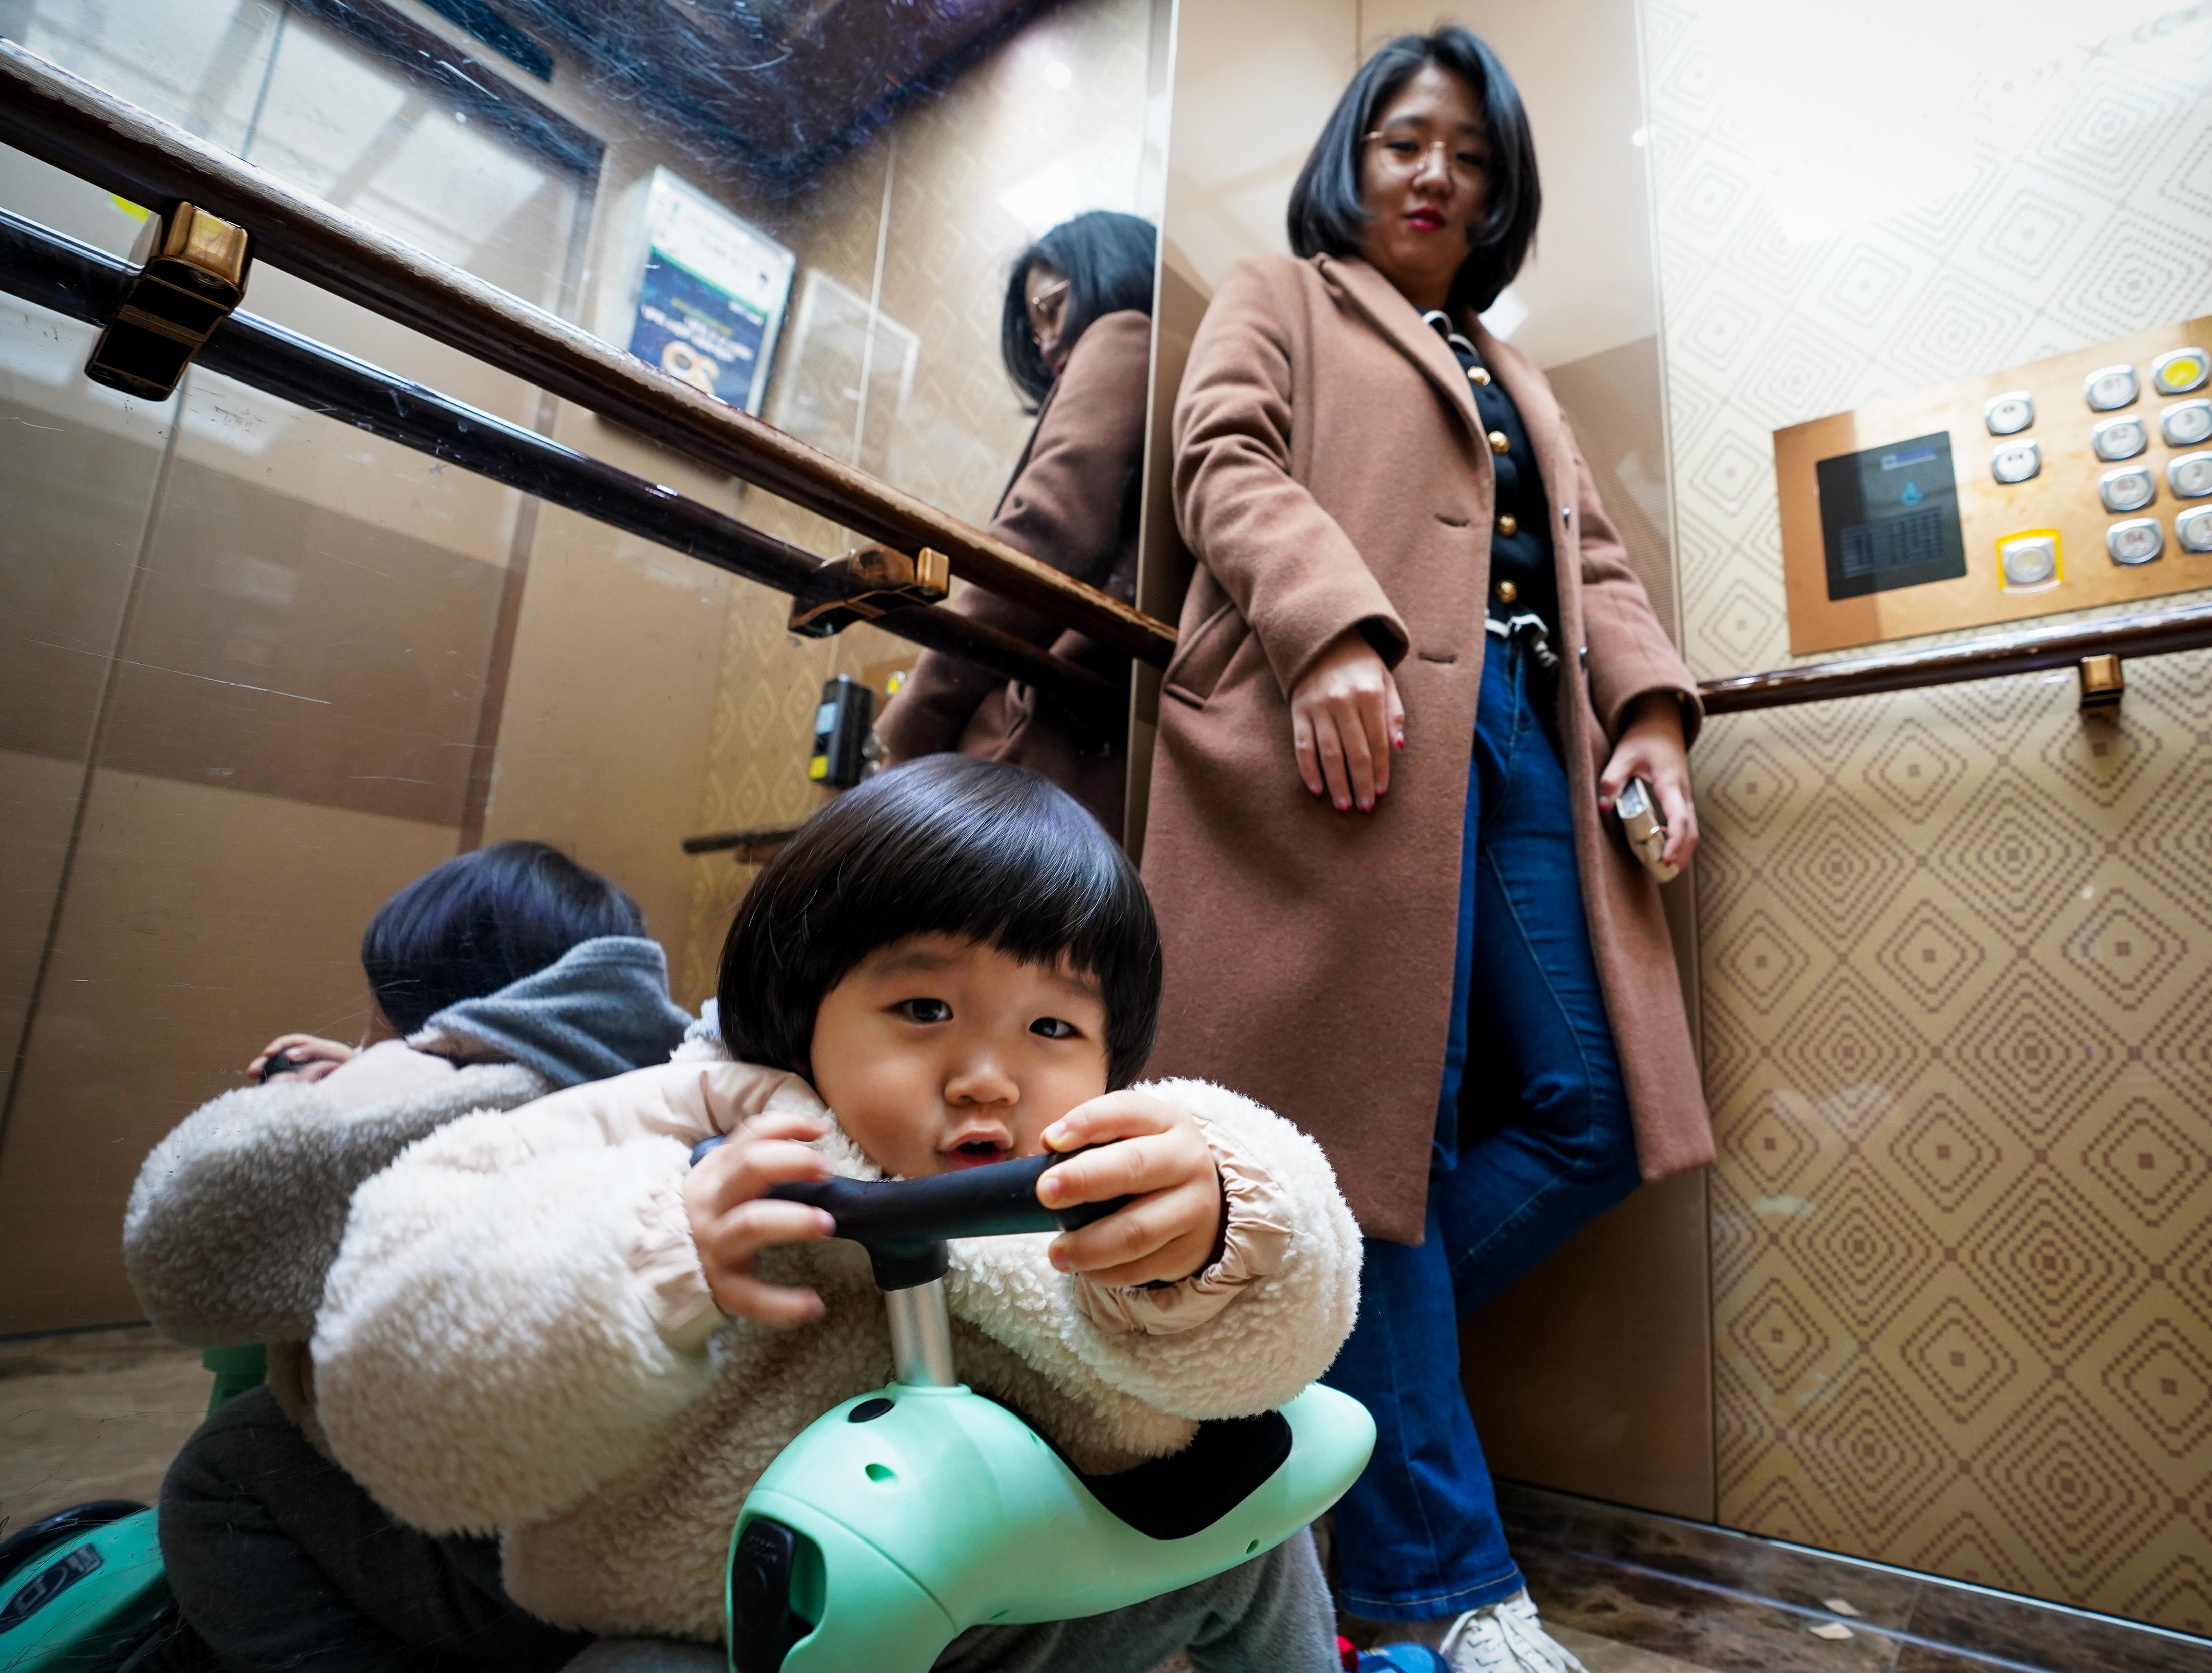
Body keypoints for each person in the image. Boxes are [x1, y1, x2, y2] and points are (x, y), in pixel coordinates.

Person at [308, 757, 1364, 1672]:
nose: (989, 1078)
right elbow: (405, 1337)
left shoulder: (1099, 1174)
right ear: (801, 1009)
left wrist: (1222, 1229)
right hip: (737, 1624)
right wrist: (651, 1254)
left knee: (1256, 1540)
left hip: (1027, 1616)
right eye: (923, 1010)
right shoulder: (693, 1132)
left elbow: (1269, 1343)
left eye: (1052, 1023)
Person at [1139, 28, 1712, 1673]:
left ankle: (1278, 1352)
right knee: (1374, 1121)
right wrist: (1329, 630)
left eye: (1468, 154)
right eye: (1405, 140)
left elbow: (1594, 562)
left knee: (1590, 1116)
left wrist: (1655, 714)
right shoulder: (1280, 292)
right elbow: (1221, 462)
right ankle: (1437, 1593)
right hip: (1360, 738)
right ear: (1356, 156)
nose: (1434, 173)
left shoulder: (1517, 374)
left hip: (1532, 739)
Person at [124, 840, 694, 1672]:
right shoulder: (661, 1080)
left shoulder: (464, 1106)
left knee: (227, 1471)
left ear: (440, 1007)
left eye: (380, 1020)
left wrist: (303, 1097)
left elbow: (189, 1254)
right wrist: (365, 1068)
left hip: (514, 1558)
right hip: (660, 1523)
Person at [874, 211, 1158, 836]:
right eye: (1035, 331)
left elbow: (1047, 534)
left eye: (1054, 308)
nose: (1048, 344)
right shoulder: (1169, 369)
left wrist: (912, 722)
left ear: (1112, 272)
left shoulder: (1124, 334)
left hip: (1042, 745)